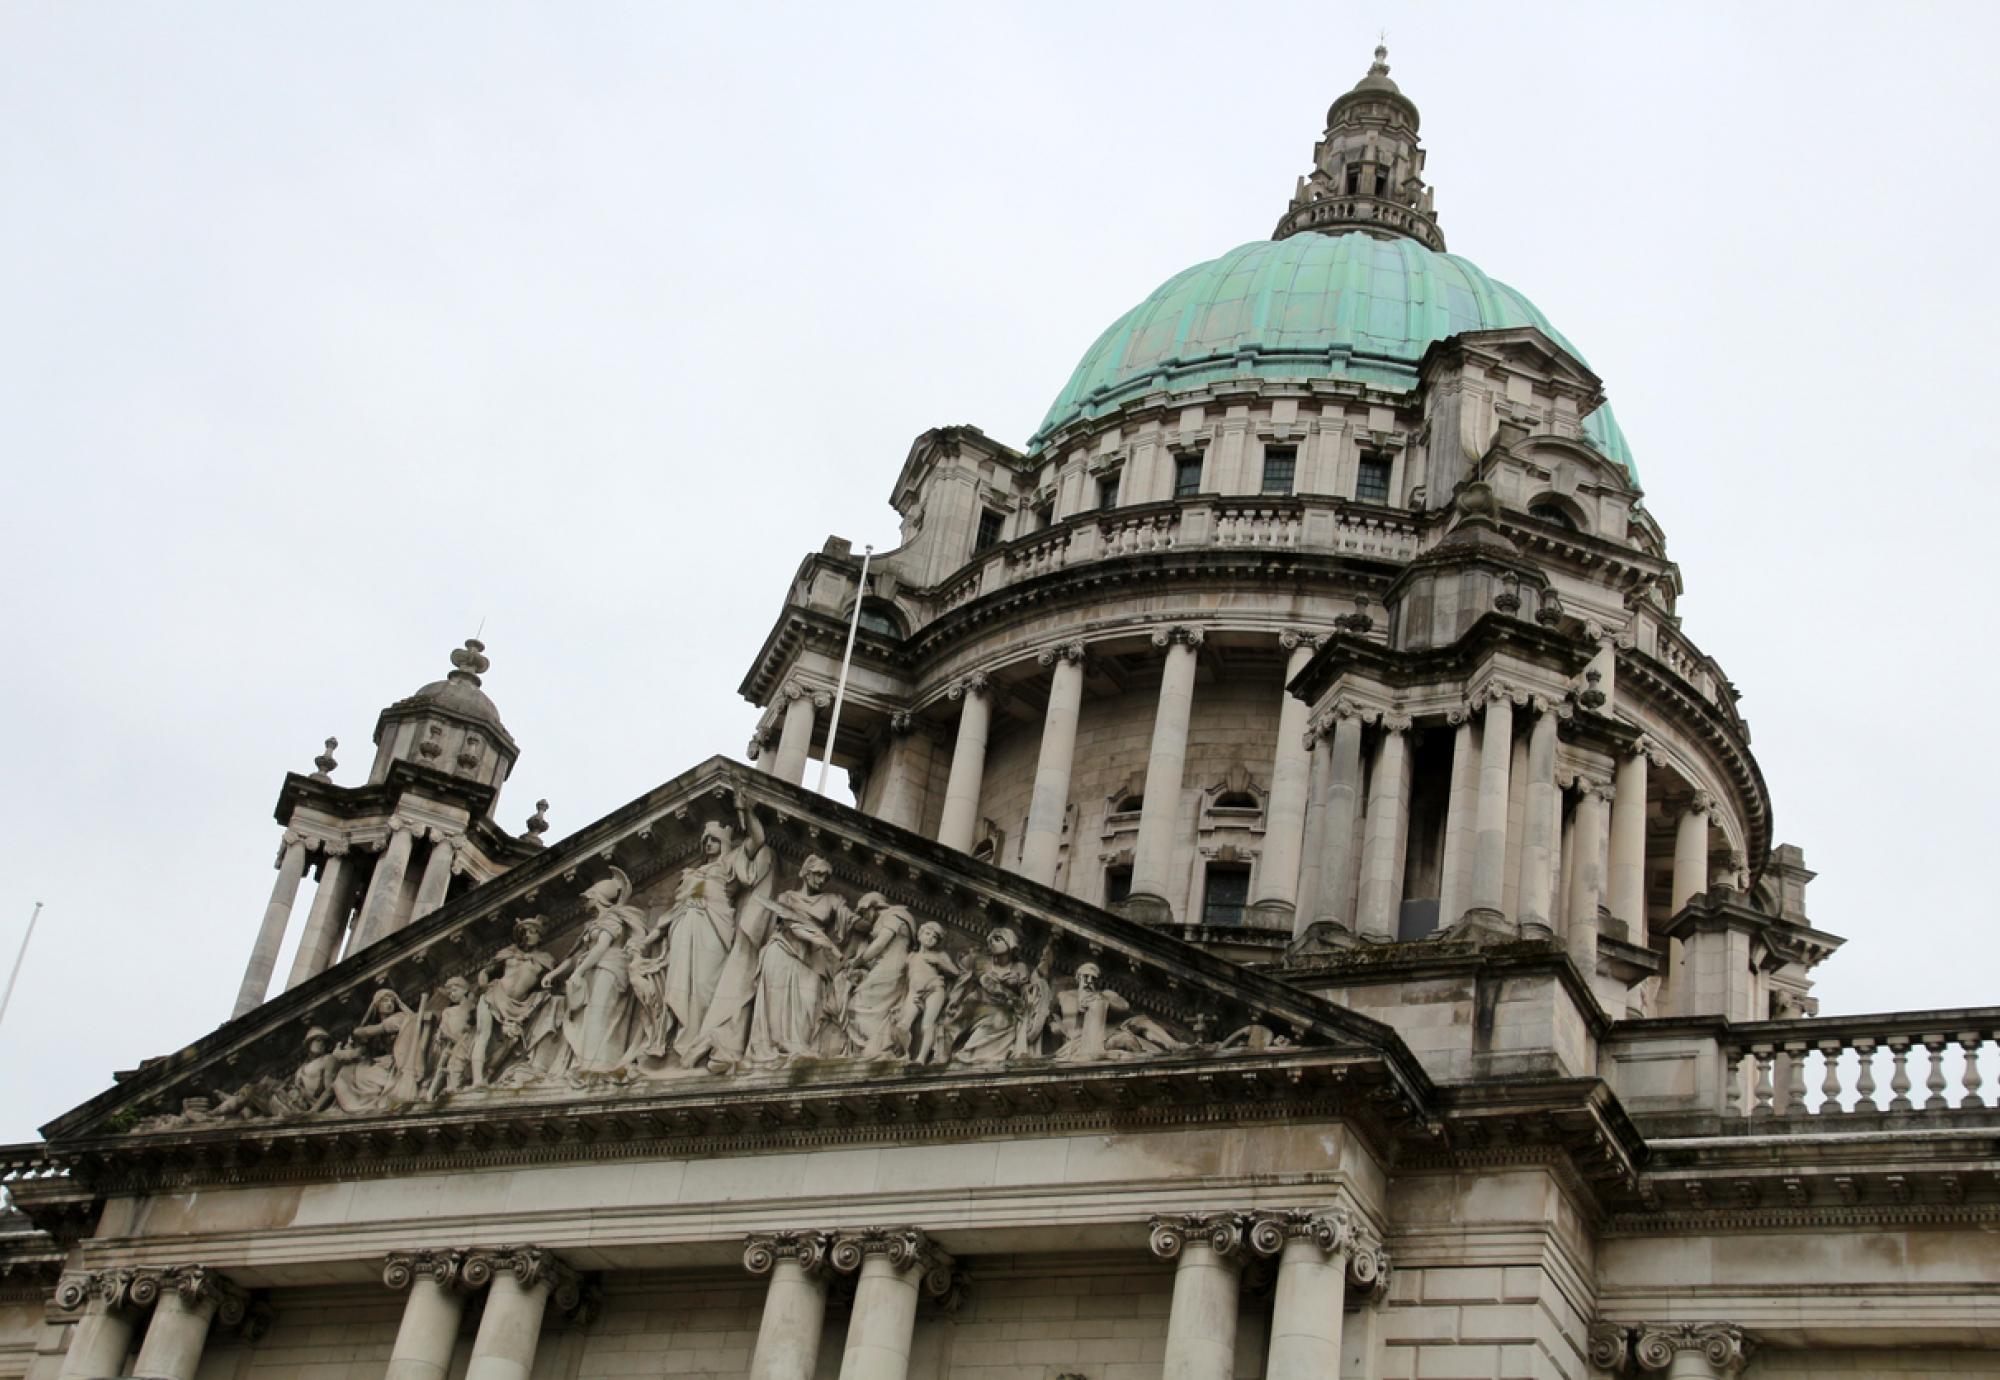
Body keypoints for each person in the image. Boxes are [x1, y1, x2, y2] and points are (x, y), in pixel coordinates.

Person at [628, 803, 771, 1065]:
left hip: (714, 927)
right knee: (678, 983)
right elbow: (669, 915)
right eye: (706, 841)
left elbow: (759, 839)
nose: (708, 845)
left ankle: (700, 1037)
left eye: (714, 841)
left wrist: (747, 811)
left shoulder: (731, 862)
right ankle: (673, 1042)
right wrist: (646, 941)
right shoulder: (690, 874)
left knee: (706, 985)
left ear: (724, 844)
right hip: (684, 926)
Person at [743, 855, 849, 1065]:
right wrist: (827, 944)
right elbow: (792, 925)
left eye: (825, 877)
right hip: (783, 950)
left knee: (809, 1004)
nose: (821, 881)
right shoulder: (786, 898)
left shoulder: (831, 900)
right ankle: (781, 1045)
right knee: (778, 1000)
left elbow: (850, 919)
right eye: (818, 874)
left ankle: (801, 1044)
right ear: (806, 872)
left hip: (813, 957)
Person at [543, 867, 646, 1076]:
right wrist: (554, 974)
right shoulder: (592, 924)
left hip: (609, 968)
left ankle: (599, 1062)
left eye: (588, 897)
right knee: (588, 1015)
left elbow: (601, 947)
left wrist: (579, 971)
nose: (584, 902)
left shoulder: (613, 918)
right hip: (591, 969)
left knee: (600, 1012)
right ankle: (586, 1061)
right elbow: (576, 955)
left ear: (598, 898)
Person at [470, 917, 560, 1087]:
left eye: (532, 932)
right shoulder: (508, 953)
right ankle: (477, 1080)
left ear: (540, 936)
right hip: (495, 994)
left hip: (520, 1005)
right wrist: (482, 983)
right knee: (483, 1034)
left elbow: (552, 985)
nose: (527, 935)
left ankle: (489, 1075)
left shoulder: (546, 959)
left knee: (510, 1043)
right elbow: (486, 971)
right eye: (523, 932)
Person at [942, 927, 1052, 1064]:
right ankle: (943, 1054)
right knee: (951, 1025)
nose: (992, 943)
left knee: (1002, 1019)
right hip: (980, 1001)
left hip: (1004, 1009)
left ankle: (969, 1053)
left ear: (1010, 943)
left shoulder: (1020, 967)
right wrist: (1012, 998)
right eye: (991, 940)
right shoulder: (982, 962)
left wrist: (1037, 980)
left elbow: (1026, 991)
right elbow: (987, 983)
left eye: (998, 939)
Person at [839, 893, 917, 1059]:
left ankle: (876, 1046)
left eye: (863, 912)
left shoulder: (894, 915)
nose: (864, 917)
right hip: (888, 966)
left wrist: (857, 961)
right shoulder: (894, 917)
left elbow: (880, 944)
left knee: (857, 1005)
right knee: (870, 1007)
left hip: (891, 967)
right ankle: (875, 1046)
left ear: (873, 907)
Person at [1052, 963, 1181, 1062]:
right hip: (1081, 1043)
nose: (1090, 981)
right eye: (1086, 977)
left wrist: (1103, 998)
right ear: (1078, 977)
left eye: (1093, 979)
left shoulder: (1103, 995)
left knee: (1140, 1020)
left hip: (1104, 1036)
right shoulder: (1066, 996)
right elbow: (1052, 1020)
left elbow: (1125, 1006)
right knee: (1127, 1039)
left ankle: (1173, 1045)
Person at [331, 990, 430, 1113]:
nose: (389, 1004)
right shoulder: (380, 1023)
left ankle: (371, 1103)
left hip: (397, 1065)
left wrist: (356, 1033)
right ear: (377, 1004)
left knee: (364, 1075)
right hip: (383, 1063)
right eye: (385, 1001)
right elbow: (362, 1051)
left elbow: (369, 1031)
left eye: (392, 1001)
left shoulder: (399, 1018)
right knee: (346, 1072)